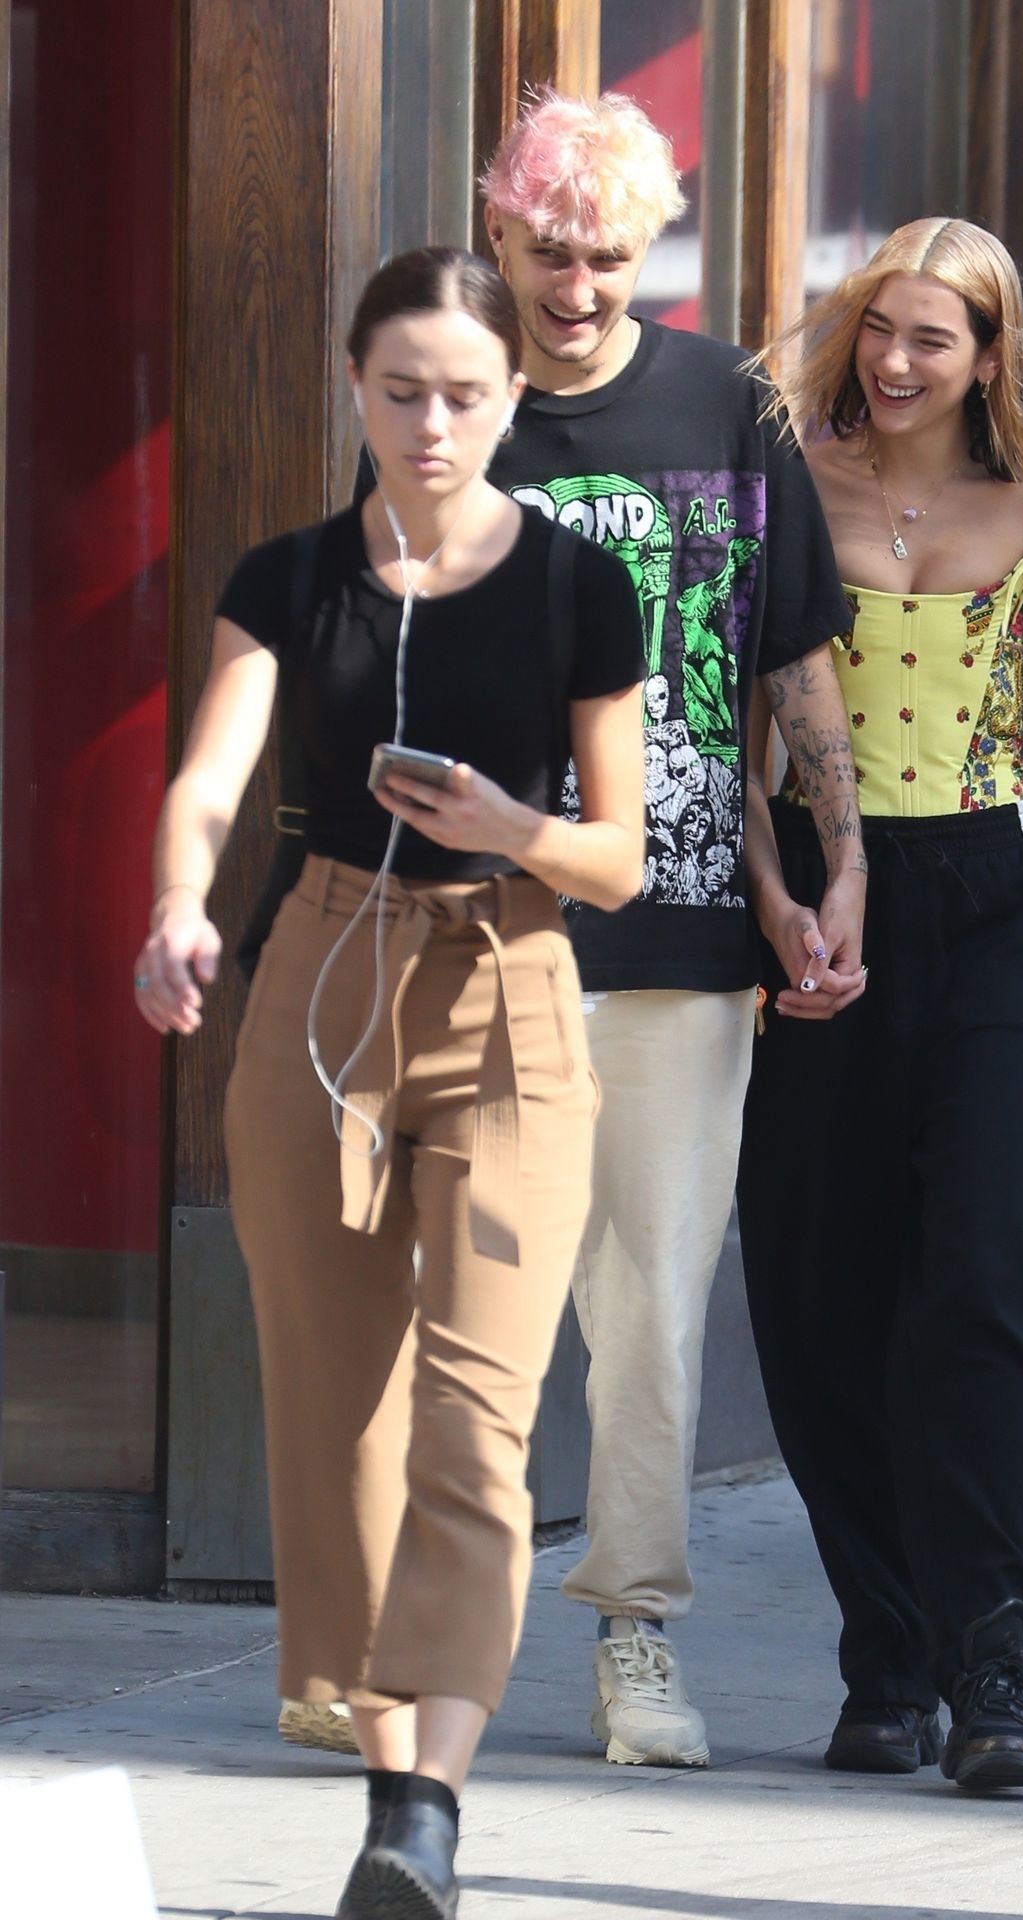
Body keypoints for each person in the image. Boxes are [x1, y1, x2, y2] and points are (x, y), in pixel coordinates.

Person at [134, 247, 645, 1919]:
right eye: (403, 391)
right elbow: (212, 779)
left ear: (514, 398)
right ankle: (379, 1749)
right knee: (331, 1402)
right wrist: (176, 908)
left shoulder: (577, 586)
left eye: (466, 396)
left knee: (477, 1416)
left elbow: (622, 858)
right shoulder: (289, 577)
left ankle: (423, 1803)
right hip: (319, 982)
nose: (433, 425)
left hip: (509, 985)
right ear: (354, 384)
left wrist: (512, 827)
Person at [737, 217, 1023, 1792]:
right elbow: (748, 741)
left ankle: (993, 1664)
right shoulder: (788, 488)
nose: (897, 361)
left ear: (990, 356)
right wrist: (775, 905)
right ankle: (886, 1656)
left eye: (934, 337)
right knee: (816, 1294)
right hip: (818, 906)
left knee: (980, 1279)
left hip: (990, 907)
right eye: (879, 328)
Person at [468, 90, 862, 1767]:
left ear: (652, 251)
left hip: (684, 931)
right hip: (478, 933)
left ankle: (634, 1634)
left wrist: (830, 864)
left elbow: (791, 658)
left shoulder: (726, 404)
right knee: (465, 1309)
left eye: (609, 259)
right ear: (501, 233)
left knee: (651, 1317)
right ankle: (422, 1641)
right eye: (550, 253)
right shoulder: (453, 401)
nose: (576, 289)